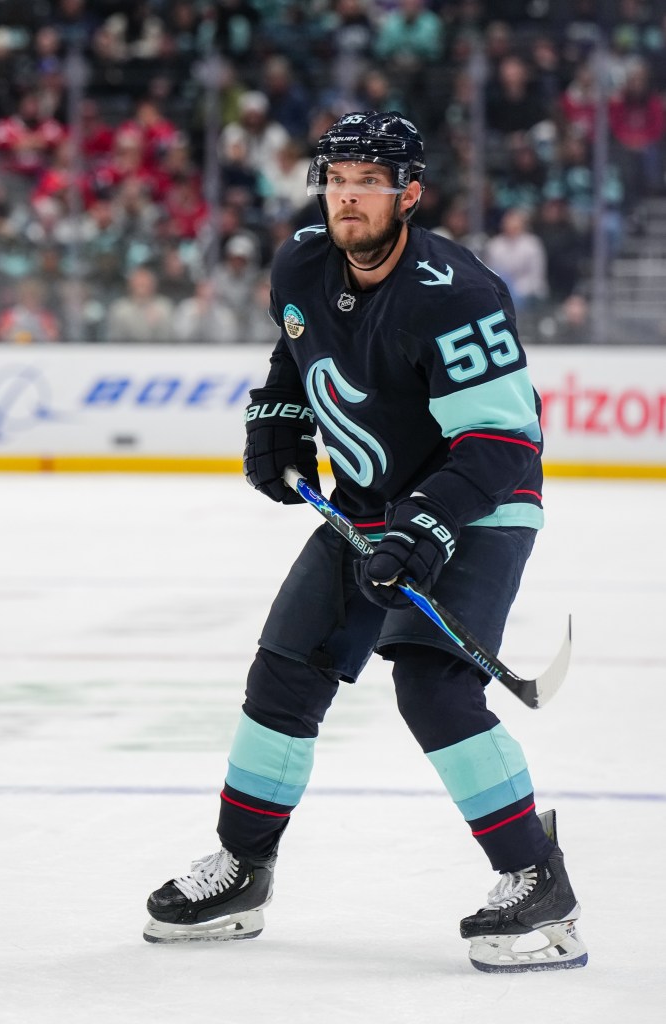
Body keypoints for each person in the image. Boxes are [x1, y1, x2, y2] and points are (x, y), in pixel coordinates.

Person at [144, 110, 588, 973]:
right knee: (285, 668)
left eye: (368, 183)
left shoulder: (455, 293)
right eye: (337, 180)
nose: (347, 198)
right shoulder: (302, 260)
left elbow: (500, 443)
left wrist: (423, 528)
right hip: (366, 503)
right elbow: (296, 350)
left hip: (478, 506)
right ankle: (243, 868)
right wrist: (277, 418)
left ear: (408, 194)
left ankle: (537, 882)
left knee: (430, 683)